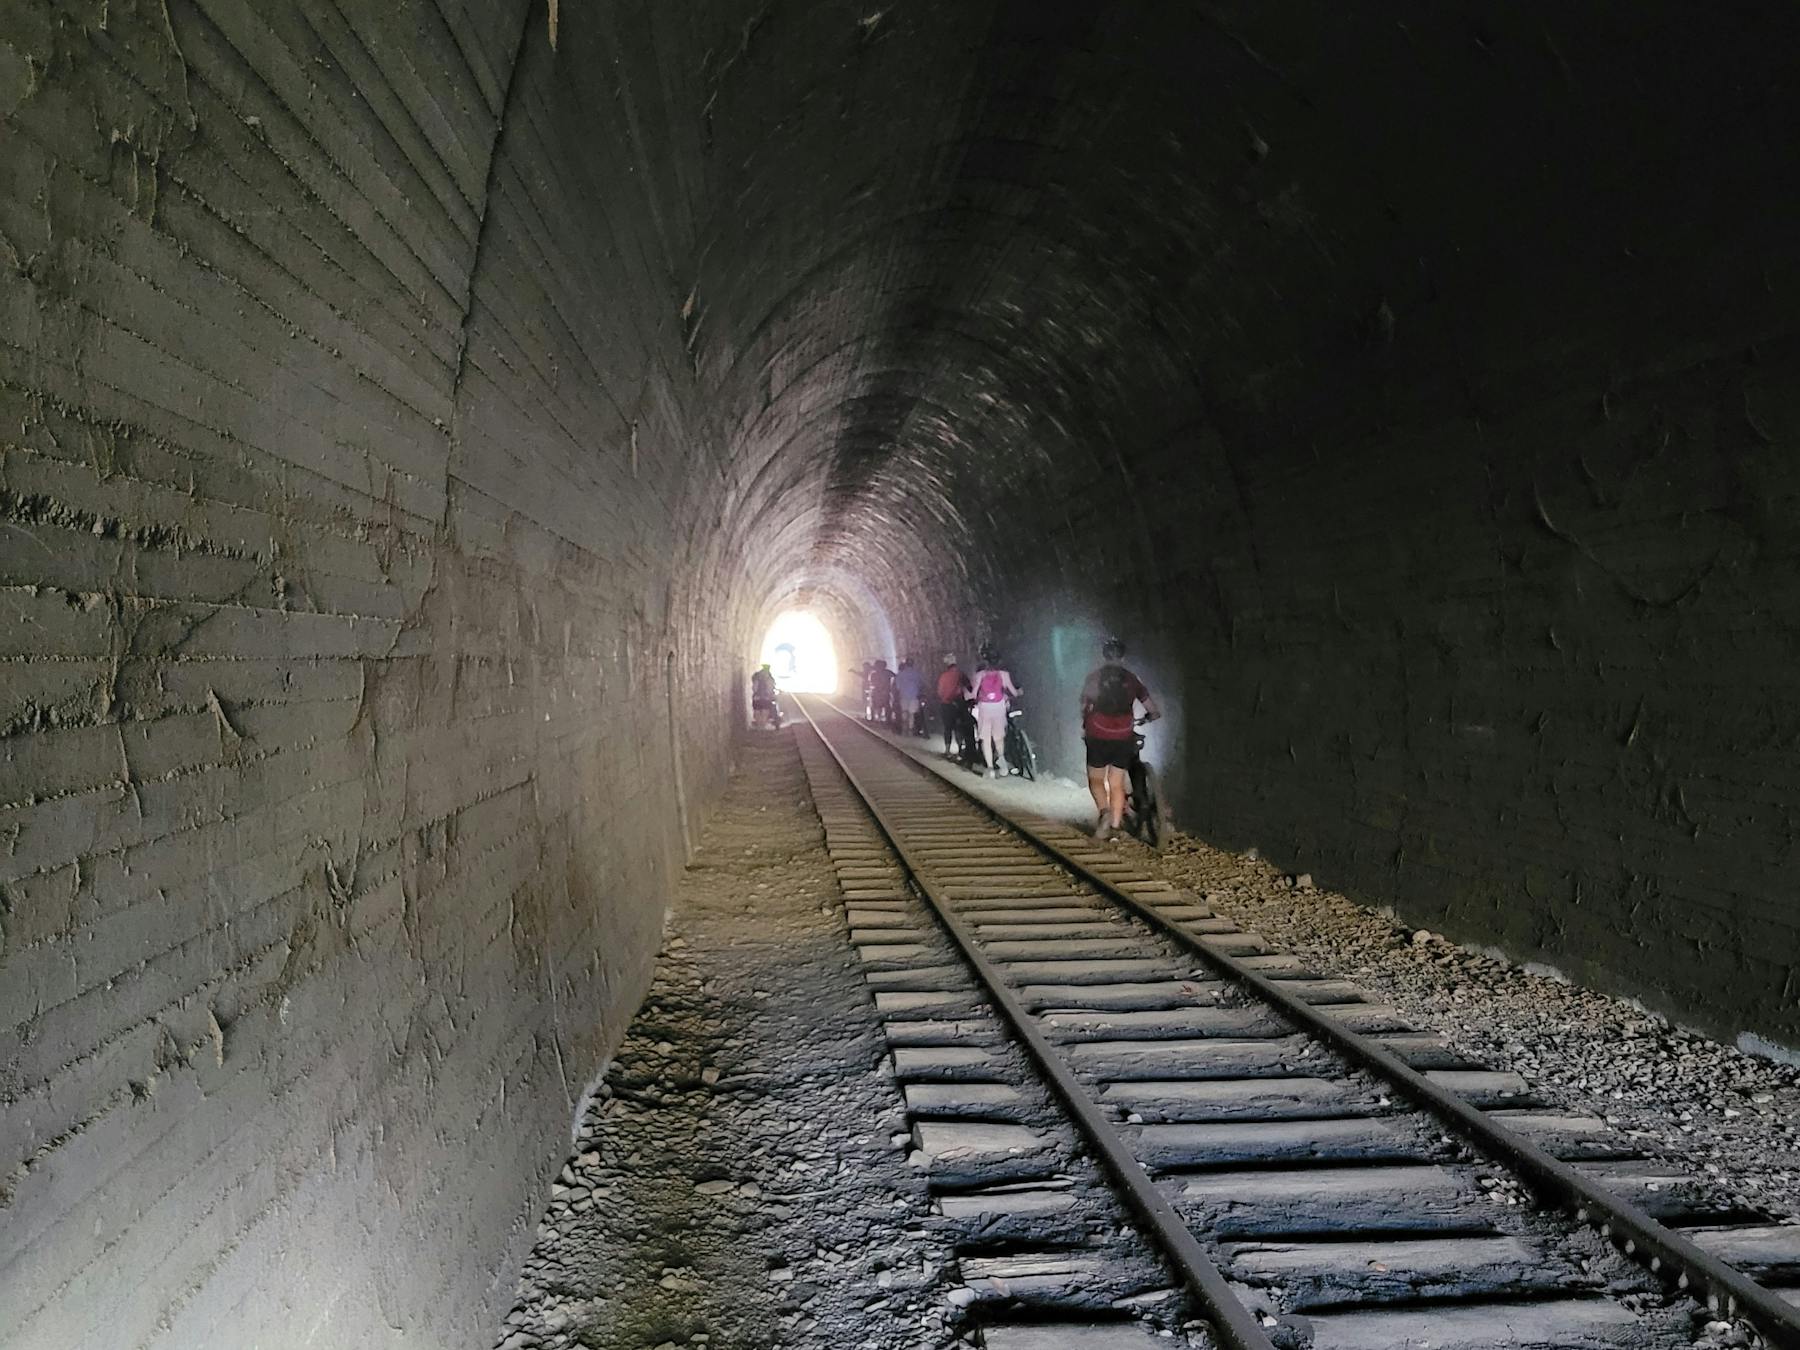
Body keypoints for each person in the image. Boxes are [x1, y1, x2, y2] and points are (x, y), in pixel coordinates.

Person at [1081, 637, 1160, 839]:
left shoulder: (1094, 677)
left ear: (1104, 656)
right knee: (1117, 782)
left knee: (1096, 779)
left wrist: (1086, 723)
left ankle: (1104, 813)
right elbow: (1152, 708)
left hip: (1097, 733)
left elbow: (1085, 704)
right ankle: (1115, 829)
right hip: (1123, 734)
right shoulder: (1132, 679)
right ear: (1123, 657)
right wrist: (1151, 716)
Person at [970, 644, 1022, 779]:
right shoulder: (1004, 675)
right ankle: (1002, 761)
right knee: (999, 737)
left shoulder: (980, 675)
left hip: (985, 708)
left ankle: (990, 769)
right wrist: (1019, 692)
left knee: (986, 739)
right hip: (999, 707)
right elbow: (1014, 692)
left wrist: (967, 694)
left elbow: (974, 694)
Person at [936, 654, 971, 757]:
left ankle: (947, 750)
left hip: (946, 704)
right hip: (958, 703)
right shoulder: (960, 674)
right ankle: (960, 748)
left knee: (948, 728)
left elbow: (939, 692)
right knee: (958, 727)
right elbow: (969, 686)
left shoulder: (943, 676)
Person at [895, 658, 925, 736]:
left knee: (904, 712)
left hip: (903, 695)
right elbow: (920, 684)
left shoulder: (901, 674)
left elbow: (898, 687)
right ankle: (910, 729)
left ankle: (904, 727)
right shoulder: (917, 673)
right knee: (912, 714)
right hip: (914, 696)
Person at [750, 663, 778, 729]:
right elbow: (770, 688)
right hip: (766, 698)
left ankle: (758, 726)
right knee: (765, 712)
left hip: (756, 698)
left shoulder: (756, 676)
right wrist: (771, 696)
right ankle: (762, 727)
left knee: (757, 711)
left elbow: (754, 688)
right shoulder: (769, 678)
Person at [870, 658, 897, 727]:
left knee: (877, 706)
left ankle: (877, 719)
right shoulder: (888, 672)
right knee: (886, 706)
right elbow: (895, 676)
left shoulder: (874, 674)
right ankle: (887, 720)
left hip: (878, 693)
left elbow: (872, 683)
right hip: (885, 692)